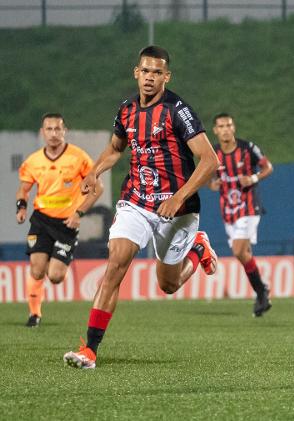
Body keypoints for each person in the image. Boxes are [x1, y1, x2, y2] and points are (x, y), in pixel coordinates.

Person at [63, 45, 220, 369]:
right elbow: (115, 147)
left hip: (178, 209)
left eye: (157, 72)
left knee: (168, 284)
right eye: (145, 71)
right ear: (136, 73)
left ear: (166, 76)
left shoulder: (178, 110)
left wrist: (177, 197)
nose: (150, 77)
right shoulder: (127, 110)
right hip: (136, 200)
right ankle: (89, 350)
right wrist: (94, 171)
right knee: (116, 263)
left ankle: (197, 249)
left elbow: (210, 160)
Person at [16, 113, 103, 327]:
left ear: (65, 131)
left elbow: (97, 189)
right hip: (41, 220)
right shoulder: (33, 161)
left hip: (67, 223)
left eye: (57, 129)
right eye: (49, 129)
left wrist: (79, 213)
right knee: (37, 269)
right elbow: (24, 190)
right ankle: (34, 314)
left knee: (55, 276)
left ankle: (56, 263)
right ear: (42, 132)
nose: (54, 133)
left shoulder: (79, 157)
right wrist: (21, 207)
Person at [208, 113, 273, 317]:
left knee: (238, 250)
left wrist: (253, 177)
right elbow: (208, 176)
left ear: (233, 128)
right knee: (244, 254)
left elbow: (268, 167)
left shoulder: (247, 148)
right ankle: (261, 293)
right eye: (221, 126)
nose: (226, 129)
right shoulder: (213, 152)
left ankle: (261, 291)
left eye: (229, 125)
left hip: (249, 207)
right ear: (215, 130)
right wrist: (212, 184)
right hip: (228, 210)